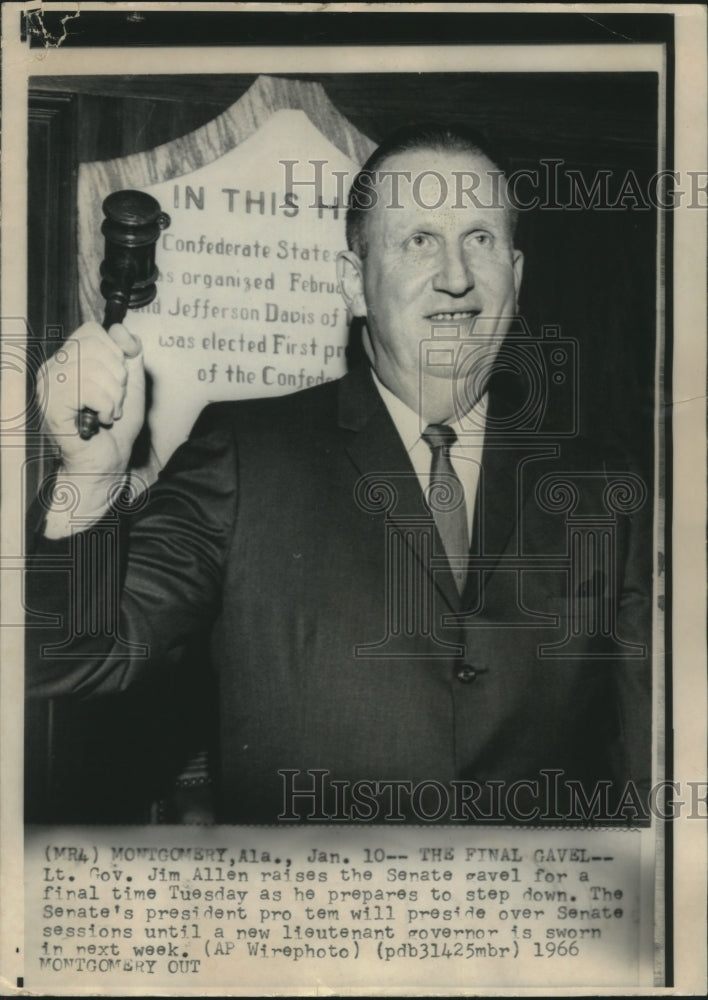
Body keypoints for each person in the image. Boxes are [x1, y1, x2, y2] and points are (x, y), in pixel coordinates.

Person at [25, 124, 652, 825]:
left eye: (480, 238)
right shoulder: (245, 451)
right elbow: (67, 659)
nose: (456, 275)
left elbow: (639, 764)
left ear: (517, 272)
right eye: (417, 240)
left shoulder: (603, 483)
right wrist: (90, 473)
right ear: (354, 283)